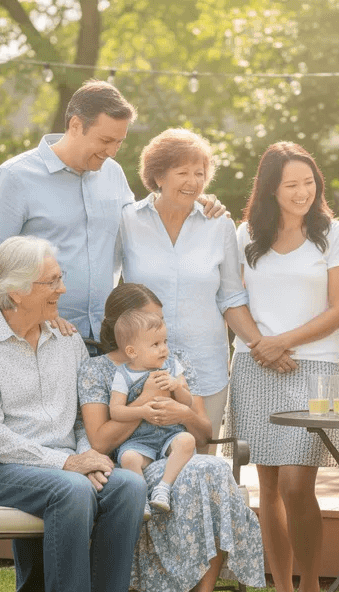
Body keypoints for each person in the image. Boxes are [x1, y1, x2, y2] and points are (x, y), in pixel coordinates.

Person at [0, 237, 145, 592]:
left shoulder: (67, 340)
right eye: (51, 281)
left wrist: (87, 457)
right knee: (71, 489)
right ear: (17, 291)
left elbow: (79, 418)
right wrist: (68, 462)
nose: (62, 289)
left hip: (61, 465)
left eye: (60, 278)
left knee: (128, 486)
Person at [79, 283, 265, 592]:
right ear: (126, 328)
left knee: (209, 470)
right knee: (202, 474)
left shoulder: (173, 361)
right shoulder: (97, 371)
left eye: (161, 322)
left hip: (177, 454)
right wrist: (145, 402)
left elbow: (204, 432)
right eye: (153, 322)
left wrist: (183, 411)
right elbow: (100, 439)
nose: (162, 332)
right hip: (132, 461)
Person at [0, 80, 226, 349]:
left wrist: (191, 196)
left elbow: (146, 219)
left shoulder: (113, 174)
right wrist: (0, 337)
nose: (111, 152)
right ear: (75, 125)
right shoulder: (15, 177)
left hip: (104, 340)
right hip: (39, 339)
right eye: (105, 140)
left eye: (118, 142)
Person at [230, 142, 339, 592]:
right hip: (255, 363)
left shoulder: (335, 235)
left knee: (296, 485)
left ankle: (310, 587)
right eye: (291, 185)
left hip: (315, 367)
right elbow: (231, 298)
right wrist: (263, 345)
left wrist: (283, 342)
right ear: (270, 189)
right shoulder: (245, 234)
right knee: (268, 486)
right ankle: (282, 591)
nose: (303, 192)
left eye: (309, 183)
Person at [118, 128, 260, 437]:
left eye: (200, 173)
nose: (193, 182)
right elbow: (111, 288)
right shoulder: (128, 220)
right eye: (182, 172)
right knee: (145, 457)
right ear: (158, 176)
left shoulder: (219, 224)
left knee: (200, 458)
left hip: (205, 362)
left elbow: (231, 297)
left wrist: (261, 346)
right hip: (142, 366)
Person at [107, 308, 197, 515]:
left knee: (187, 441)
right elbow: (116, 412)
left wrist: (177, 386)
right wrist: (141, 411)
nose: (163, 349)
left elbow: (188, 402)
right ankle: (141, 499)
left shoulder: (173, 366)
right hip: (139, 441)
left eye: (164, 342)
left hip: (169, 434)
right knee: (128, 458)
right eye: (155, 345)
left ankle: (163, 488)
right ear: (132, 352)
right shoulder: (123, 374)